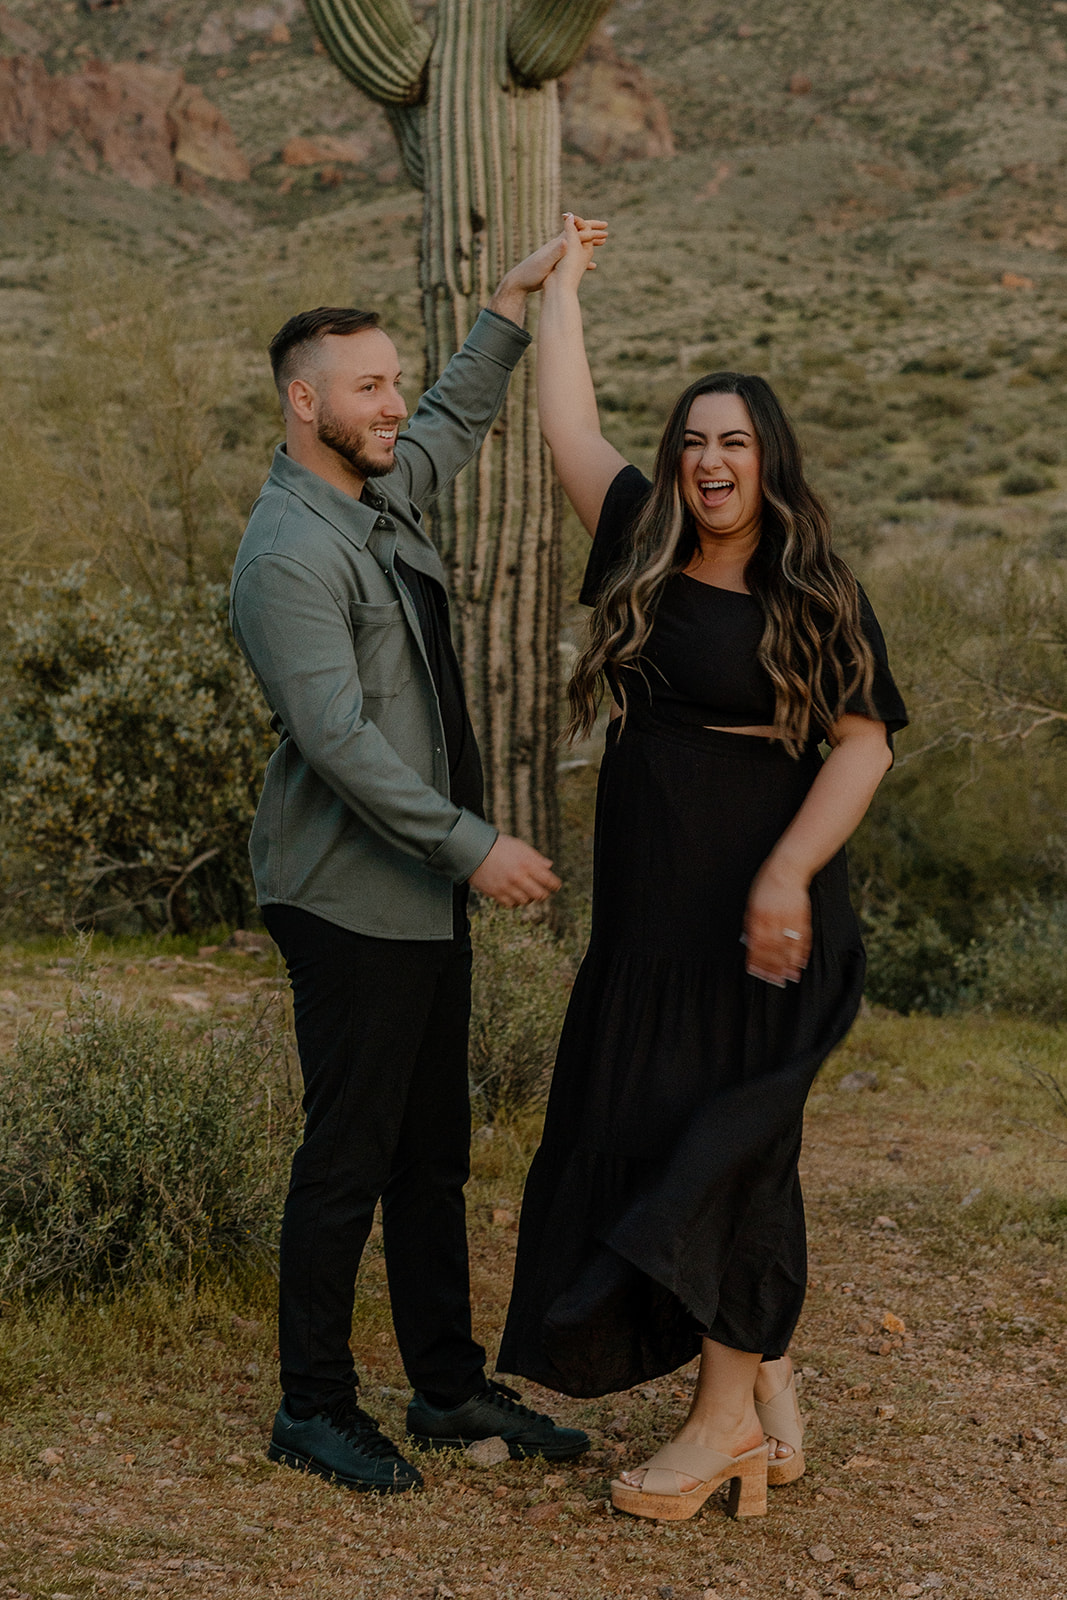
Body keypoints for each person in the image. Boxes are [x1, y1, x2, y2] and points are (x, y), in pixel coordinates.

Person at [498, 218, 908, 1522]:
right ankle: (765, 1382)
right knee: (652, 1140)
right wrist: (559, 292)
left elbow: (861, 745)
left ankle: (719, 1423)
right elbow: (568, 425)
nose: (708, 458)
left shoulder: (812, 590)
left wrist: (785, 874)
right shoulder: (637, 537)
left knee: (727, 1149)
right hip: (647, 932)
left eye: (733, 441)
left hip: (760, 927)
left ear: (766, 460)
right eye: (693, 438)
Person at [230, 224, 605, 1494]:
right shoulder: (287, 551)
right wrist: (474, 843)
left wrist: (506, 307)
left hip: (421, 889)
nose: (394, 402)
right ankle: (312, 1407)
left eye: (392, 379)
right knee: (347, 1158)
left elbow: (448, 421)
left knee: (430, 1152)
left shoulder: (374, 485)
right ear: (305, 401)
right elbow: (335, 739)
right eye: (370, 384)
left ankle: (444, 1384)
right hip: (348, 896)